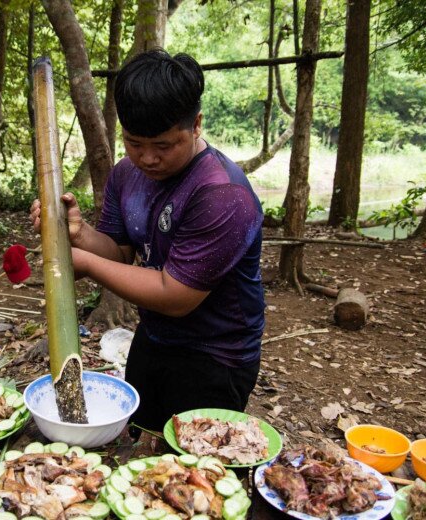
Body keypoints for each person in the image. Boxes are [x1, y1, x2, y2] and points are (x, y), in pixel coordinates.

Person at [30, 50, 265, 431]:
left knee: (196, 466)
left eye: (163, 145)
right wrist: (80, 234)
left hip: (216, 356)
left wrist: (84, 262)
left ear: (197, 125)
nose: (147, 159)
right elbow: (120, 251)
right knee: (141, 439)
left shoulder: (221, 194)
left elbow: (175, 296)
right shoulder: (127, 174)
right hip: (154, 337)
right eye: (134, 143)